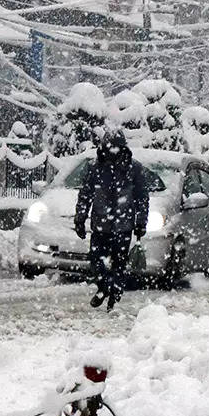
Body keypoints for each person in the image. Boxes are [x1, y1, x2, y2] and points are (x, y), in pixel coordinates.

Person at [74, 130, 150, 310]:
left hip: (123, 225)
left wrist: (141, 222)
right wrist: (80, 217)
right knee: (96, 259)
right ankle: (103, 287)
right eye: (109, 147)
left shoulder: (134, 168)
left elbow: (142, 197)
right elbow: (85, 194)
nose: (112, 151)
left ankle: (114, 292)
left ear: (123, 148)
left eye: (116, 147)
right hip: (101, 223)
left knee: (119, 262)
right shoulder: (95, 168)